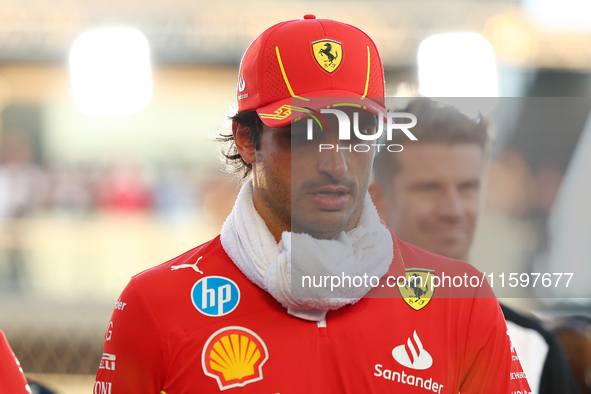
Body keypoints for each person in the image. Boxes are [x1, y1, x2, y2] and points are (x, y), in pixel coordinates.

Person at [95, 16, 530, 393]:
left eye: (359, 131)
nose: (336, 163)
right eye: (305, 133)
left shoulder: (460, 301)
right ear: (247, 139)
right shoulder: (155, 305)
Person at [370, 97, 580, 394]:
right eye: (429, 187)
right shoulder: (337, 327)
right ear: (378, 201)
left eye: (468, 187)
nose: (453, 210)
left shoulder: (533, 347)